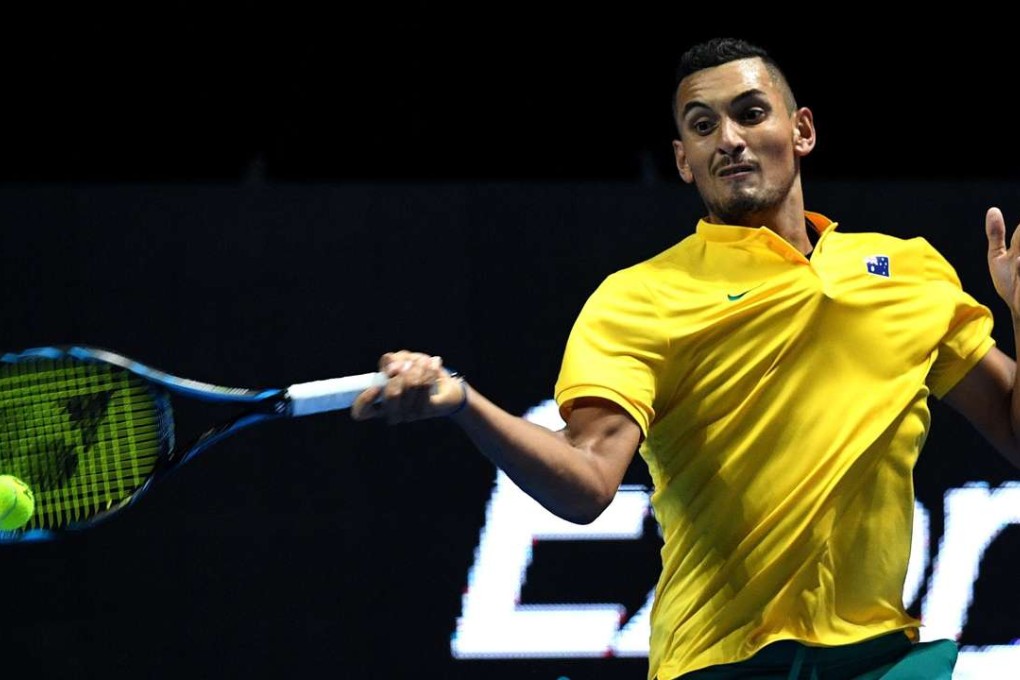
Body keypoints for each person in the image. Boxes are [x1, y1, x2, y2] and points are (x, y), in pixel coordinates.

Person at [351, 37, 1020, 679]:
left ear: (802, 131)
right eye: (703, 126)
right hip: (723, 664)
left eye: (750, 114)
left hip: (882, 657)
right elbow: (587, 481)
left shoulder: (907, 272)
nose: (728, 139)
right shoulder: (640, 299)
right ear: (683, 159)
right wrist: (464, 403)